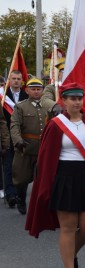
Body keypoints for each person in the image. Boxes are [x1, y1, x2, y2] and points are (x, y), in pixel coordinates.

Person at [25, 82, 85, 268]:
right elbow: (47, 158)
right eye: (72, 99)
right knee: (68, 227)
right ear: (64, 101)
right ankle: (69, 264)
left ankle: (70, 253)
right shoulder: (55, 125)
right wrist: (45, 185)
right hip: (64, 178)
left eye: (79, 98)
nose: (77, 102)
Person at [10, 78, 46, 214]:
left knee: (43, 179)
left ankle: (41, 205)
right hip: (24, 148)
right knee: (21, 178)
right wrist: (18, 141)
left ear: (42, 91)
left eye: (38, 89)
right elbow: (14, 125)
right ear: (27, 90)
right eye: (33, 89)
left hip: (43, 149)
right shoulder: (20, 106)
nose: (36, 92)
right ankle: (20, 198)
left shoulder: (48, 106)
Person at [1, 70, 29, 208]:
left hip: (22, 138)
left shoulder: (26, 95)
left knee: (22, 169)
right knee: (8, 166)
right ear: (9, 80)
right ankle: (11, 195)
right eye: (13, 78)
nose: (16, 81)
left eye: (18, 78)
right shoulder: (2, 96)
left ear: (22, 80)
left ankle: (20, 194)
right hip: (7, 137)